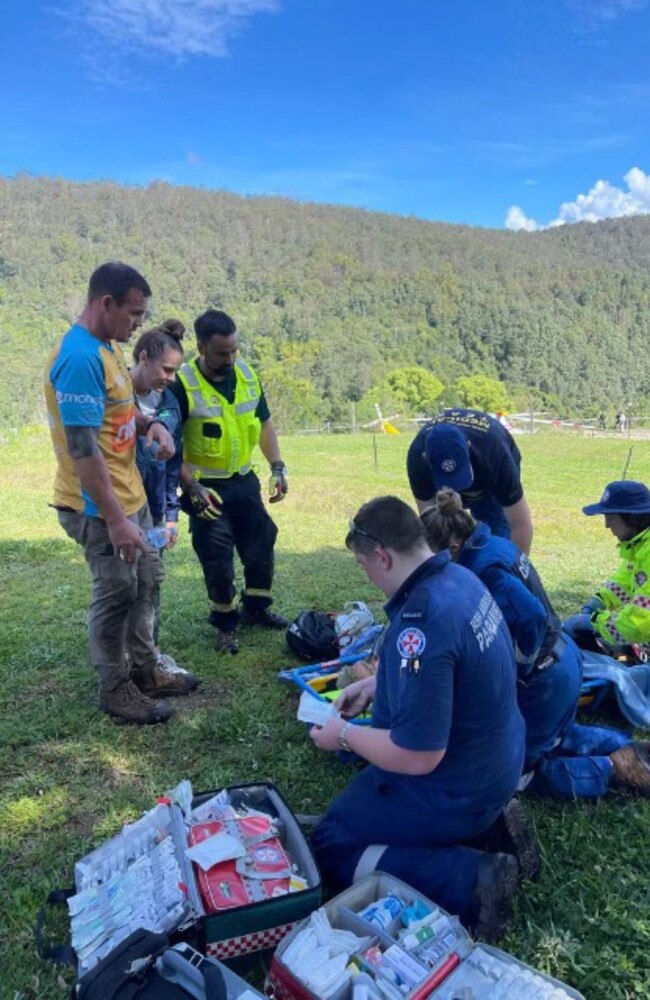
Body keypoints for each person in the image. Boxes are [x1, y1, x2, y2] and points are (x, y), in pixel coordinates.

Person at [309, 496, 527, 941]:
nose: (365, 575)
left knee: (333, 843)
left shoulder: (420, 621)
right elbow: (456, 675)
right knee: (354, 815)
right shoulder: (460, 577)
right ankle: (490, 827)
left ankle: (472, 877)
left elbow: (417, 756)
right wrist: (375, 684)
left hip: (456, 783)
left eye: (362, 564)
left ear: (383, 557)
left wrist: (344, 735)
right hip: (499, 759)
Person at [44, 261, 197, 725]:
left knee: (148, 581)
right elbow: (83, 448)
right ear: (105, 303)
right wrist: (115, 520)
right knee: (116, 593)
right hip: (98, 509)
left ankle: (148, 669)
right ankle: (115, 687)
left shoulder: (108, 347)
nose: (138, 325)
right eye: (133, 314)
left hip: (135, 501)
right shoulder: (78, 357)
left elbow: (121, 409)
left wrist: (152, 427)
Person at [423, 489, 650, 798]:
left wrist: (519, 669)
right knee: (558, 735)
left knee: (513, 776)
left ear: (452, 546)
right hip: (564, 658)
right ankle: (629, 749)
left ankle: (617, 772)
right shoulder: (495, 543)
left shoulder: (484, 568)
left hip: (546, 679)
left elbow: (530, 616)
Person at [170, 309, 288, 653]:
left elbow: (263, 424)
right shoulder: (182, 384)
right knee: (217, 555)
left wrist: (277, 466)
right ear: (202, 346)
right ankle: (225, 624)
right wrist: (190, 487)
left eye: (234, 351)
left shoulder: (248, 375)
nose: (230, 359)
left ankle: (257, 609)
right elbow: (169, 447)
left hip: (244, 481)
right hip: (205, 488)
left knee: (262, 540)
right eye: (222, 353)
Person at [130, 319, 198, 691]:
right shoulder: (117, 394)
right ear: (144, 357)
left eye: (175, 370)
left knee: (152, 581)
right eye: (166, 369)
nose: (171, 378)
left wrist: (171, 517)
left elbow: (173, 464)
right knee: (127, 583)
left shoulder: (169, 402)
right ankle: (128, 662)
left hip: (155, 509)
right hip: (122, 508)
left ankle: (149, 655)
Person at [407, 408, 533, 553]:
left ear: (468, 447)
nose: (457, 492)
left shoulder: (495, 455)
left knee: (495, 531)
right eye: (448, 482)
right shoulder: (417, 458)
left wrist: (514, 570)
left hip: (489, 471)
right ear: (425, 459)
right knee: (442, 534)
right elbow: (430, 529)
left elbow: (520, 526)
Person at [563, 480, 650, 660]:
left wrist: (594, 621)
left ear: (630, 517)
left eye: (610, 517)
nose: (607, 525)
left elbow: (637, 625)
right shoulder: (639, 547)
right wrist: (598, 601)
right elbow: (624, 582)